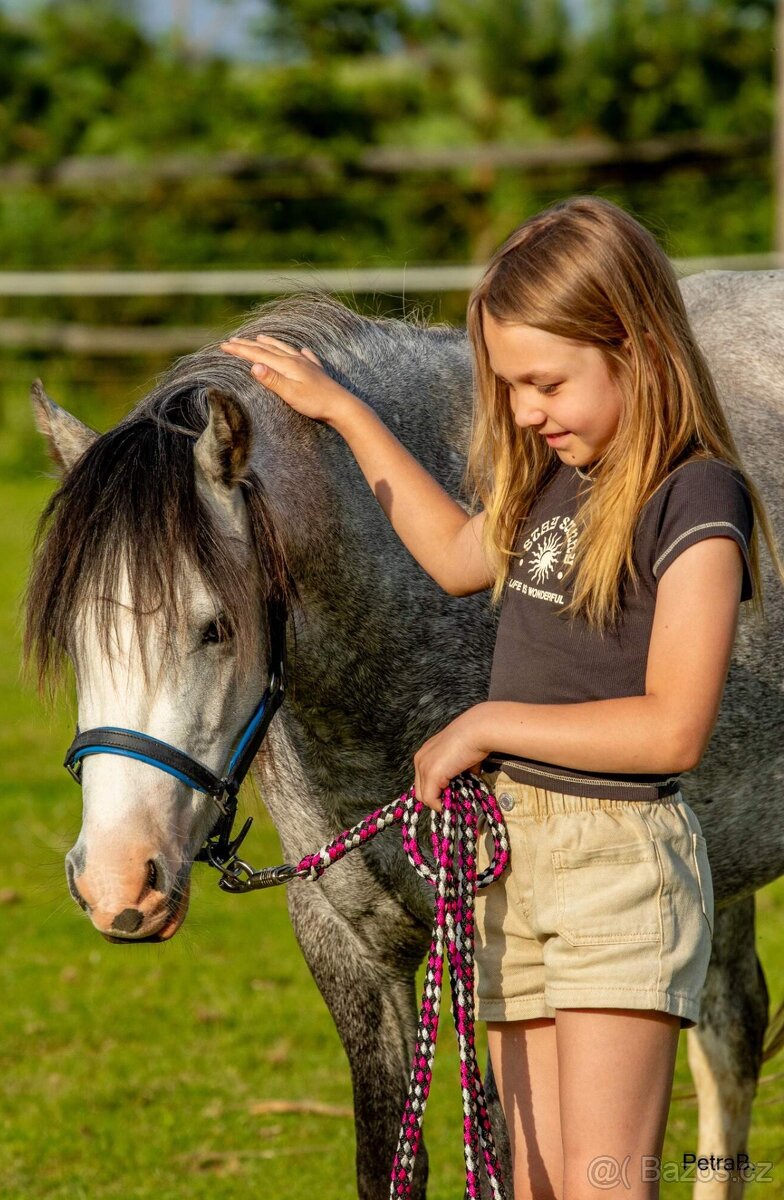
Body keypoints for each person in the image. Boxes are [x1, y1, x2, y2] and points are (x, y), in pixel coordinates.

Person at [220, 195, 781, 1199]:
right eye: (509, 386)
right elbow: (448, 554)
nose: (524, 412)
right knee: (529, 1180)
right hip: (514, 863)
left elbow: (673, 725)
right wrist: (344, 413)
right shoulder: (559, 481)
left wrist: (484, 721)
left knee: (601, 1180)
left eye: (544, 382)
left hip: (617, 870)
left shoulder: (697, 497)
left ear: (639, 348)